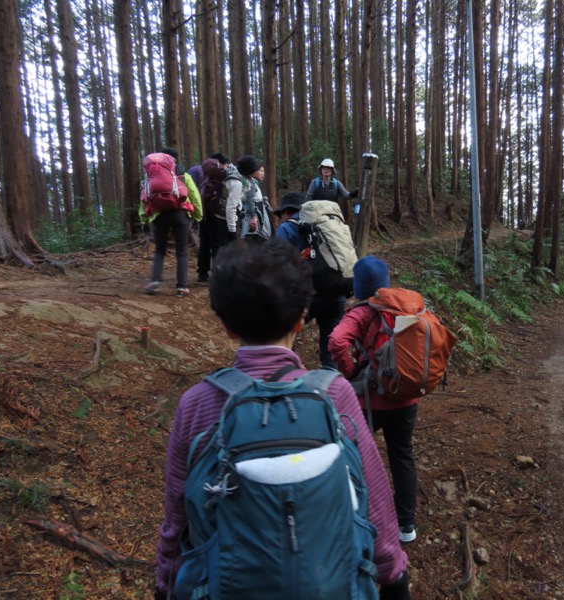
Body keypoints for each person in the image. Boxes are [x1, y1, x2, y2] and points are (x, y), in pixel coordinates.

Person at [154, 238, 411, 599]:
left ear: (227, 326)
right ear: (301, 320)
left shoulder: (198, 404)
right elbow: (374, 497)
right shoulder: (334, 395)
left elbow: (178, 515)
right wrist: (393, 575)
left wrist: (166, 580)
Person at [328, 256, 420, 544]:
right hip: (406, 398)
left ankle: (360, 518)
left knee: (356, 455)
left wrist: (350, 369)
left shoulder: (361, 313)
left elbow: (336, 341)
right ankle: (406, 525)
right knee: (402, 455)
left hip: (371, 402)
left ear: (358, 285)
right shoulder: (406, 305)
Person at [275, 191, 347, 370]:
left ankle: (290, 378)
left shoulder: (285, 228)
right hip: (335, 293)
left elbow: (278, 267)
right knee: (330, 350)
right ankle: (332, 388)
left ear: (285, 212)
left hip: (305, 298)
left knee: (284, 337)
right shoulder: (328, 224)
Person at [142, 147, 202, 298]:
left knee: (159, 250)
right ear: (175, 159)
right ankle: (181, 287)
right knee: (181, 252)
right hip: (180, 214)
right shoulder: (182, 174)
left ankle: (155, 281)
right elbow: (194, 195)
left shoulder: (151, 176)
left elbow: (144, 199)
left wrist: (144, 218)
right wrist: (198, 215)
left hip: (159, 215)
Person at [195, 153, 242, 283]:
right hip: (218, 215)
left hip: (205, 214)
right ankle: (218, 274)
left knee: (204, 243)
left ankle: (202, 273)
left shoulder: (206, 175)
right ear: (222, 163)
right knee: (217, 244)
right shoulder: (224, 175)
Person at [235, 154, 274, 240]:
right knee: (255, 236)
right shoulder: (248, 184)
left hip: (256, 210)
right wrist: (253, 216)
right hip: (255, 212)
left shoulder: (248, 181)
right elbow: (250, 200)